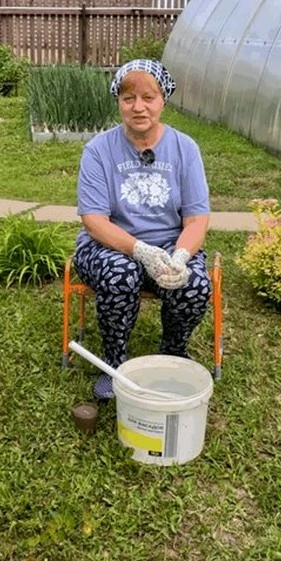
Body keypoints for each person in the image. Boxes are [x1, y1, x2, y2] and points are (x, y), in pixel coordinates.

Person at [73, 59, 212, 400]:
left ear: (163, 99)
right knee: (121, 274)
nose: (138, 107)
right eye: (128, 98)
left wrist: (179, 255)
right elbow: (94, 219)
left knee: (193, 283)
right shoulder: (98, 150)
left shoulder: (185, 149)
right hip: (109, 245)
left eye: (148, 97)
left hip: (169, 242)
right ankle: (115, 363)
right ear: (118, 102)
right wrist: (140, 251)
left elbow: (196, 220)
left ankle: (172, 353)